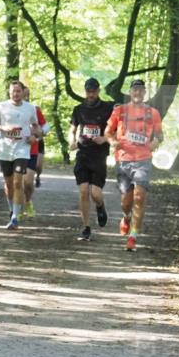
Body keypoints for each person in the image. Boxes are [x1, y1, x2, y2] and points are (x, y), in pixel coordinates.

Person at [105, 79, 164, 251]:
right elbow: (108, 132)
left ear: (144, 93)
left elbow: (160, 135)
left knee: (139, 197)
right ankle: (126, 217)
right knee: (126, 202)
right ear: (130, 92)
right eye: (135, 90)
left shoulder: (153, 113)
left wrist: (155, 143)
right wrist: (113, 142)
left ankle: (133, 237)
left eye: (141, 90)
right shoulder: (120, 110)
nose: (137, 93)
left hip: (143, 159)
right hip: (124, 159)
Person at [0, 80, 40, 230]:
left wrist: (34, 137)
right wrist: (3, 127)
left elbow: (36, 127)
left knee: (18, 182)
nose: (15, 94)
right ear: (9, 92)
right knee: (9, 184)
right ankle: (12, 209)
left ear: (23, 92)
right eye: (12, 91)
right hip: (5, 149)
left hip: (22, 149)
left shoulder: (30, 108)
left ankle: (15, 218)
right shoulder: (1, 107)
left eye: (18, 91)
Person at [69, 77, 115, 241]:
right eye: (88, 91)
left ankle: (100, 206)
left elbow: (117, 130)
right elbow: (72, 129)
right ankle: (86, 227)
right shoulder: (78, 109)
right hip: (83, 153)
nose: (91, 94)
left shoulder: (108, 108)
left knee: (95, 193)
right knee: (83, 191)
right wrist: (72, 142)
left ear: (98, 91)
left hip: (99, 155)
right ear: (85, 91)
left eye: (94, 91)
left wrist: (104, 138)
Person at [21, 85, 51, 218]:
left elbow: (46, 126)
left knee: (28, 182)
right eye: (24, 94)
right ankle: (16, 209)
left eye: (28, 95)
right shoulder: (8, 109)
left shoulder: (34, 109)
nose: (26, 97)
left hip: (32, 148)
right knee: (16, 182)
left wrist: (40, 133)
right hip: (14, 150)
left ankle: (28, 201)